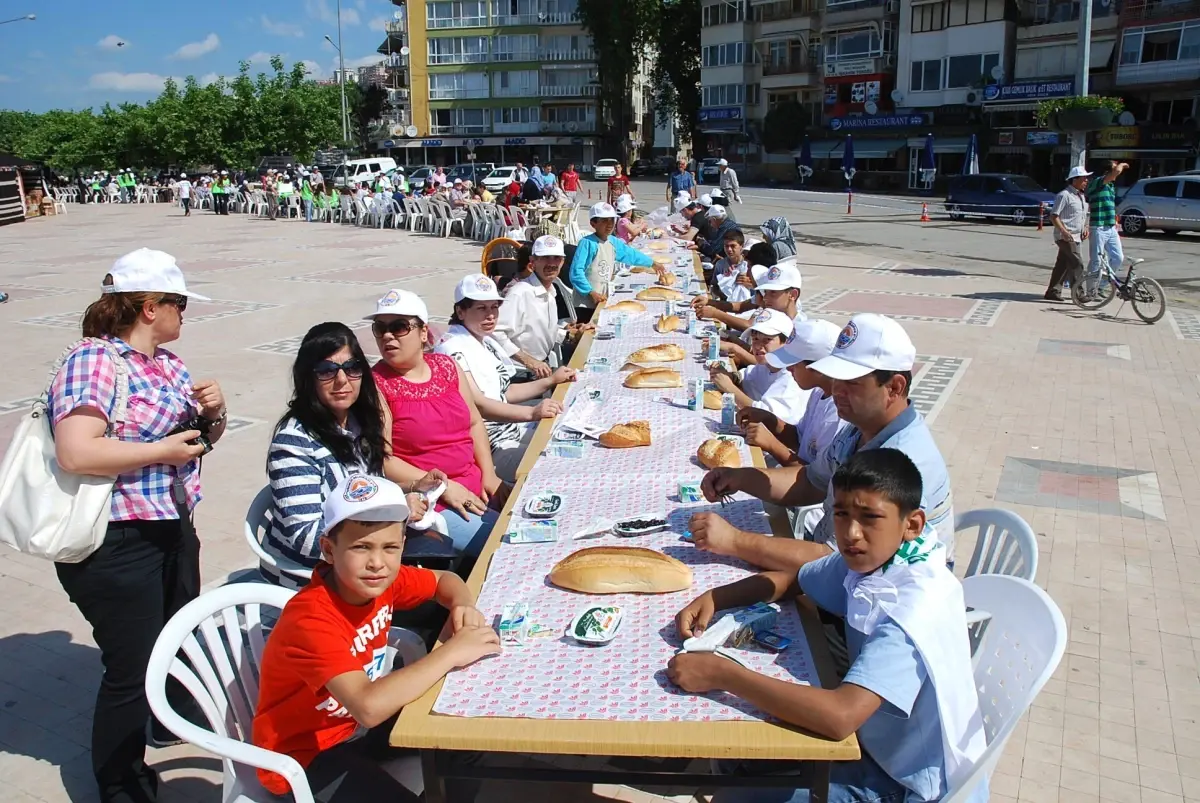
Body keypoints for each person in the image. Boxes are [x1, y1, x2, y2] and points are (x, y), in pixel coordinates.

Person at [670, 449, 986, 803]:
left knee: (741, 794)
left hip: (904, 783)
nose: (851, 533)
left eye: (870, 518)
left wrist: (724, 675)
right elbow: (797, 579)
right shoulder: (880, 558)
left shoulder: (908, 609)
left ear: (911, 524)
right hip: (874, 744)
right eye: (840, 514)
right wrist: (718, 597)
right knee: (749, 754)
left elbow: (840, 717)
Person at [50, 249, 226, 803]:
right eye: (178, 303)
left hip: (171, 526)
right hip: (118, 541)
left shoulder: (168, 365)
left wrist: (212, 417)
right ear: (150, 307)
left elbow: (189, 446)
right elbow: (76, 453)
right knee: (130, 669)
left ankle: (167, 718)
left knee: (173, 643)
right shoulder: (96, 360)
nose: (183, 313)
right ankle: (120, 782)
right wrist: (159, 451)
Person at [251, 474, 500, 802]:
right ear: (328, 549)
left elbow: (445, 579)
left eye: (390, 548)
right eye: (361, 547)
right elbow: (368, 706)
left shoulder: (382, 582)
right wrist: (452, 652)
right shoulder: (310, 618)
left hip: (351, 727)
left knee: (466, 737)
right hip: (303, 755)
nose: (377, 563)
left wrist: (463, 604)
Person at [691, 314, 955, 573]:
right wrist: (740, 478)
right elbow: (810, 481)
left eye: (851, 382)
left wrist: (735, 541)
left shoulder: (902, 461)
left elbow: (838, 564)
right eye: (836, 377)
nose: (837, 390)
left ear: (894, 388)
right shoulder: (860, 427)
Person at [264, 322, 443, 585]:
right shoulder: (293, 441)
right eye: (326, 371)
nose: (341, 380)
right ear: (307, 377)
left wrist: (411, 487)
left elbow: (365, 491)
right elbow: (304, 537)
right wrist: (392, 515)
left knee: (450, 571)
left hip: (365, 562)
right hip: (318, 577)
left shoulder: (357, 422)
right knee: (438, 600)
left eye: (351, 368)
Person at [369, 289, 502, 558]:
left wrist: (490, 474)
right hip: (434, 501)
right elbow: (384, 459)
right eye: (380, 328)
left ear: (422, 332)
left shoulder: (447, 366)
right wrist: (444, 487)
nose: (387, 336)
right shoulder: (376, 384)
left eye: (399, 327)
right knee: (505, 546)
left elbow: (475, 423)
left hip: (476, 483)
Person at [437, 274, 578, 482]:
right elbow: (479, 404)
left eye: (494, 307)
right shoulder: (451, 349)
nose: (491, 316)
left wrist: (551, 380)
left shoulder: (483, 340)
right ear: (460, 311)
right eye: (481, 308)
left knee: (570, 441)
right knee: (555, 467)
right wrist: (532, 412)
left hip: (510, 429)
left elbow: (504, 393)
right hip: (489, 445)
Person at [739, 319, 845, 471]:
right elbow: (800, 439)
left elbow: (817, 481)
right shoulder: (818, 391)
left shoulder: (838, 414)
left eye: (794, 364)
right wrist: (768, 419)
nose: (788, 369)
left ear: (818, 367)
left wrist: (772, 445)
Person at [496, 235, 591, 374]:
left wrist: (573, 334)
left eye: (556, 258)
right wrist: (530, 362)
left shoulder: (550, 292)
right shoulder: (520, 293)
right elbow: (495, 332)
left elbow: (540, 330)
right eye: (545, 257)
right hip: (521, 372)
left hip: (544, 364)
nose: (551, 264)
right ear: (532, 262)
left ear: (563, 261)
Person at [709, 309, 808, 426]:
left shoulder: (791, 377)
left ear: (786, 343)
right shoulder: (767, 364)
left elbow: (764, 415)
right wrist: (729, 376)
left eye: (767, 340)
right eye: (755, 339)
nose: (758, 346)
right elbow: (746, 377)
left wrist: (729, 388)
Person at [567, 202, 656, 319]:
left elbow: (630, 254)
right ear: (593, 223)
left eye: (611, 220)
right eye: (604, 221)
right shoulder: (587, 243)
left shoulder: (612, 242)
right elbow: (576, 272)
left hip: (602, 298)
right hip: (585, 303)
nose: (609, 225)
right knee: (587, 328)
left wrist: (652, 263)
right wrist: (590, 292)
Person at [1083, 160, 1128, 299]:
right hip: (1098, 226)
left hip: (1110, 226)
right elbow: (1115, 172)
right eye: (1114, 170)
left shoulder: (1110, 186)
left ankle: (1101, 285)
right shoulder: (1097, 182)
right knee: (1096, 260)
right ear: (1107, 172)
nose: (1117, 174)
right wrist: (1122, 165)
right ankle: (1091, 290)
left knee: (1117, 257)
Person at [1044, 166, 1091, 301]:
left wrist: (1085, 227)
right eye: (1083, 179)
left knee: (1063, 264)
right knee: (1077, 263)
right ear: (1074, 180)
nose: (1086, 181)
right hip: (1065, 236)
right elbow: (1054, 216)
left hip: (1076, 236)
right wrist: (1064, 231)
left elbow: (1083, 215)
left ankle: (1053, 291)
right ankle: (1079, 294)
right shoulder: (1064, 195)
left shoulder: (1081, 196)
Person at [712, 229, 753, 304]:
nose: (729, 249)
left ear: (741, 246)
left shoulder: (748, 265)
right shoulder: (720, 265)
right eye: (726, 246)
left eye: (733, 246)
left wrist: (750, 283)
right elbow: (714, 286)